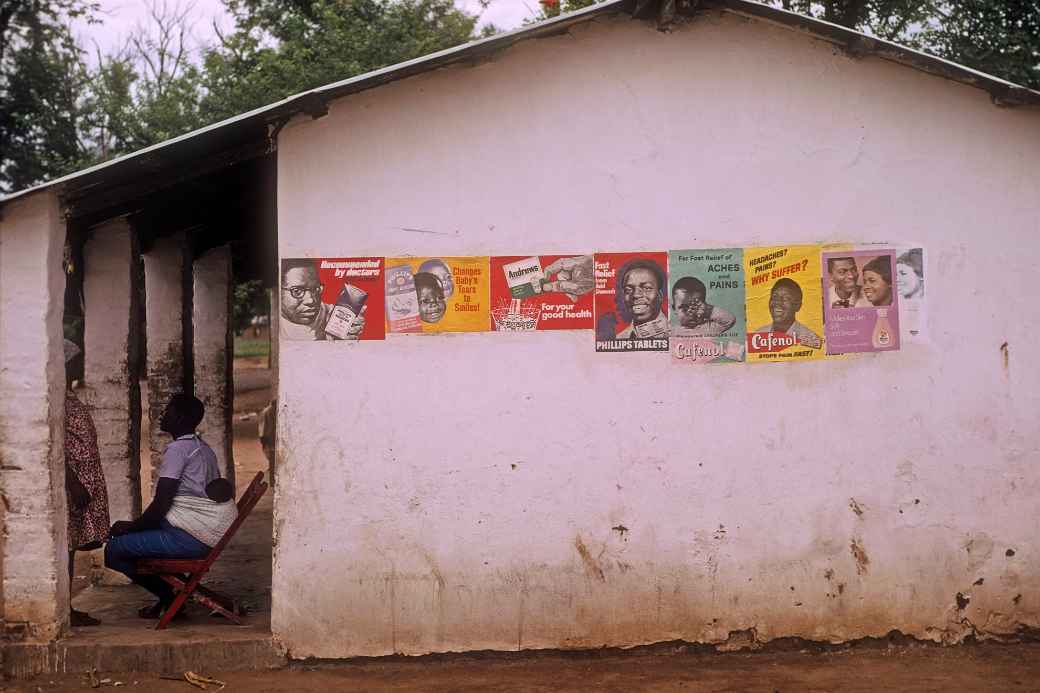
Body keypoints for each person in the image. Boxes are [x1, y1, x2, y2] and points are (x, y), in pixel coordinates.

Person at [105, 394, 237, 618]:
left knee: (114, 550)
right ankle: (173, 595)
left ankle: (170, 597)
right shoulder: (203, 448)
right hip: (201, 534)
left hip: (190, 539)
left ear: (181, 418)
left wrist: (131, 527)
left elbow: (162, 503)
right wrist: (135, 527)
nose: (162, 415)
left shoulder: (178, 450)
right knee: (129, 539)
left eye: (168, 411)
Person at [63, 340, 110, 627]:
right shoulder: (55, 400)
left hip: (84, 481)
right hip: (74, 483)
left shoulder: (67, 396)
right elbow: (56, 446)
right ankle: (64, 608)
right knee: (66, 546)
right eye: (72, 363)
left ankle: (67, 607)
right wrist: (74, 484)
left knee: (72, 545)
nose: (76, 367)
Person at [279, 259, 365, 340]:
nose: (311, 300)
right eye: (297, 291)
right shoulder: (275, 322)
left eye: (315, 289)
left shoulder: (335, 316)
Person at [752, 278, 823, 349]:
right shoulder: (758, 336)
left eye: (786, 298)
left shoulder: (812, 340)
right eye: (774, 297)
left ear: (797, 306)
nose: (778, 302)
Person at [614, 258, 668, 339]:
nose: (635, 295)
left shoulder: (677, 332)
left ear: (660, 295)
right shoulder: (619, 339)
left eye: (647, 288)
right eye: (628, 290)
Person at [671, 276, 736, 337]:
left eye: (697, 308)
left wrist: (707, 310)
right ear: (674, 309)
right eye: (684, 308)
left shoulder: (708, 329)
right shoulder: (671, 332)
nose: (692, 313)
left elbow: (729, 320)